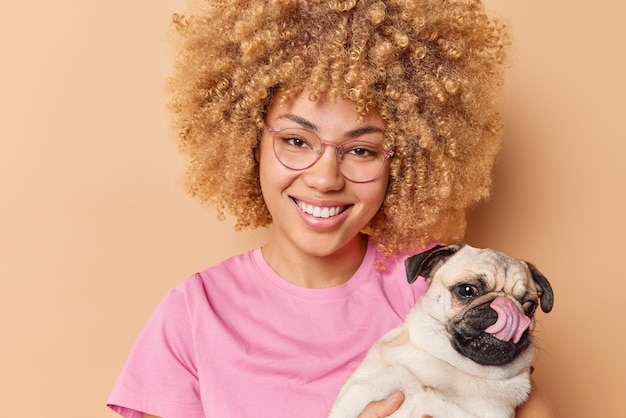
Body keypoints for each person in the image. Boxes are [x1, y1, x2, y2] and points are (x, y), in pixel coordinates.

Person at [108, 0, 554, 417]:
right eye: (297, 141)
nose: (325, 179)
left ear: (406, 160)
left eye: (361, 150)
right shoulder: (193, 312)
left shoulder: (441, 282)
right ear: (250, 142)